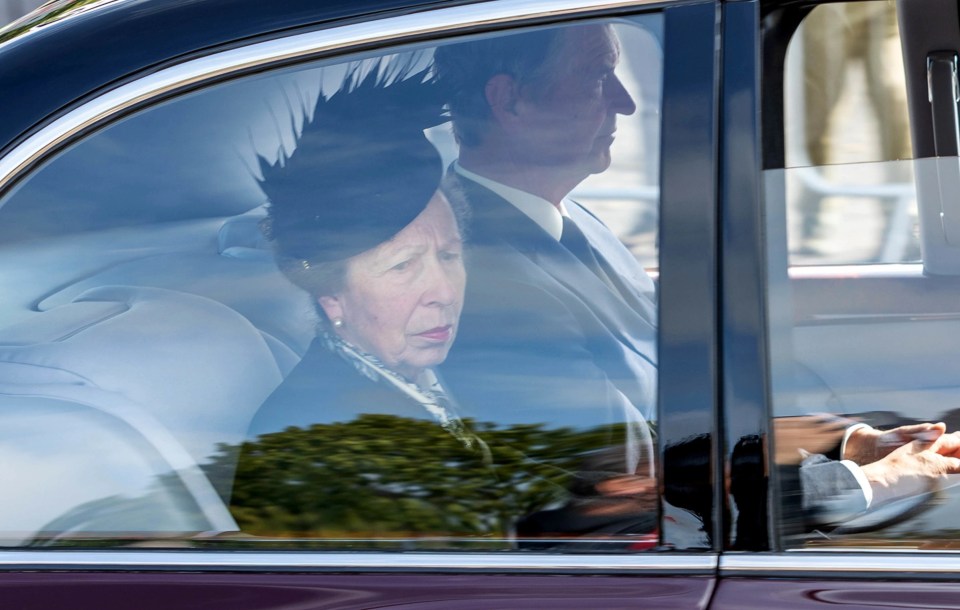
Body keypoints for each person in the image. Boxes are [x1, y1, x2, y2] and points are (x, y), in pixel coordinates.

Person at [433, 23, 960, 537]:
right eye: (598, 77)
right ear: (509, 99)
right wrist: (870, 483)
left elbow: (675, 429)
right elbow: (629, 488)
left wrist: (846, 446)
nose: (625, 102)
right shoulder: (492, 285)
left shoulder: (571, 222)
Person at [229, 61, 491, 537]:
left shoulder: (453, 369)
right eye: (403, 266)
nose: (445, 292)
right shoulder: (316, 449)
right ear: (333, 296)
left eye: (450, 255)